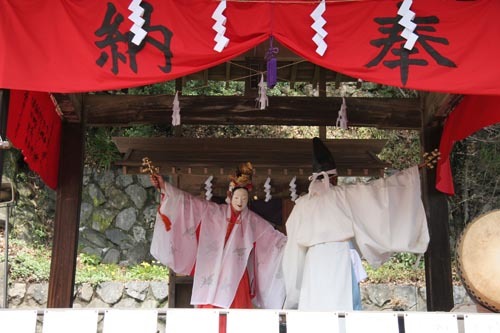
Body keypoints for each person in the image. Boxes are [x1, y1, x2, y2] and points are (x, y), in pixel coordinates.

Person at [282, 137, 429, 311]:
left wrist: (294, 289)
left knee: (316, 307)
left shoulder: (302, 204)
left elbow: (293, 247)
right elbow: (378, 193)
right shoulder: (343, 195)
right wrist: (410, 175)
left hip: (313, 260)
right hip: (339, 257)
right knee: (341, 305)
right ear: (334, 178)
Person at [149, 162, 287, 309]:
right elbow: (189, 202)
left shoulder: (252, 220)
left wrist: (290, 245)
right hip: (211, 268)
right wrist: (164, 187)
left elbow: (271, 237)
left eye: (244, 199)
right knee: (209, 311)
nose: (240, 202)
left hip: (236, 272)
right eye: (237, 198)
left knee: (236, 311)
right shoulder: (214, 212)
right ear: (230, 196)